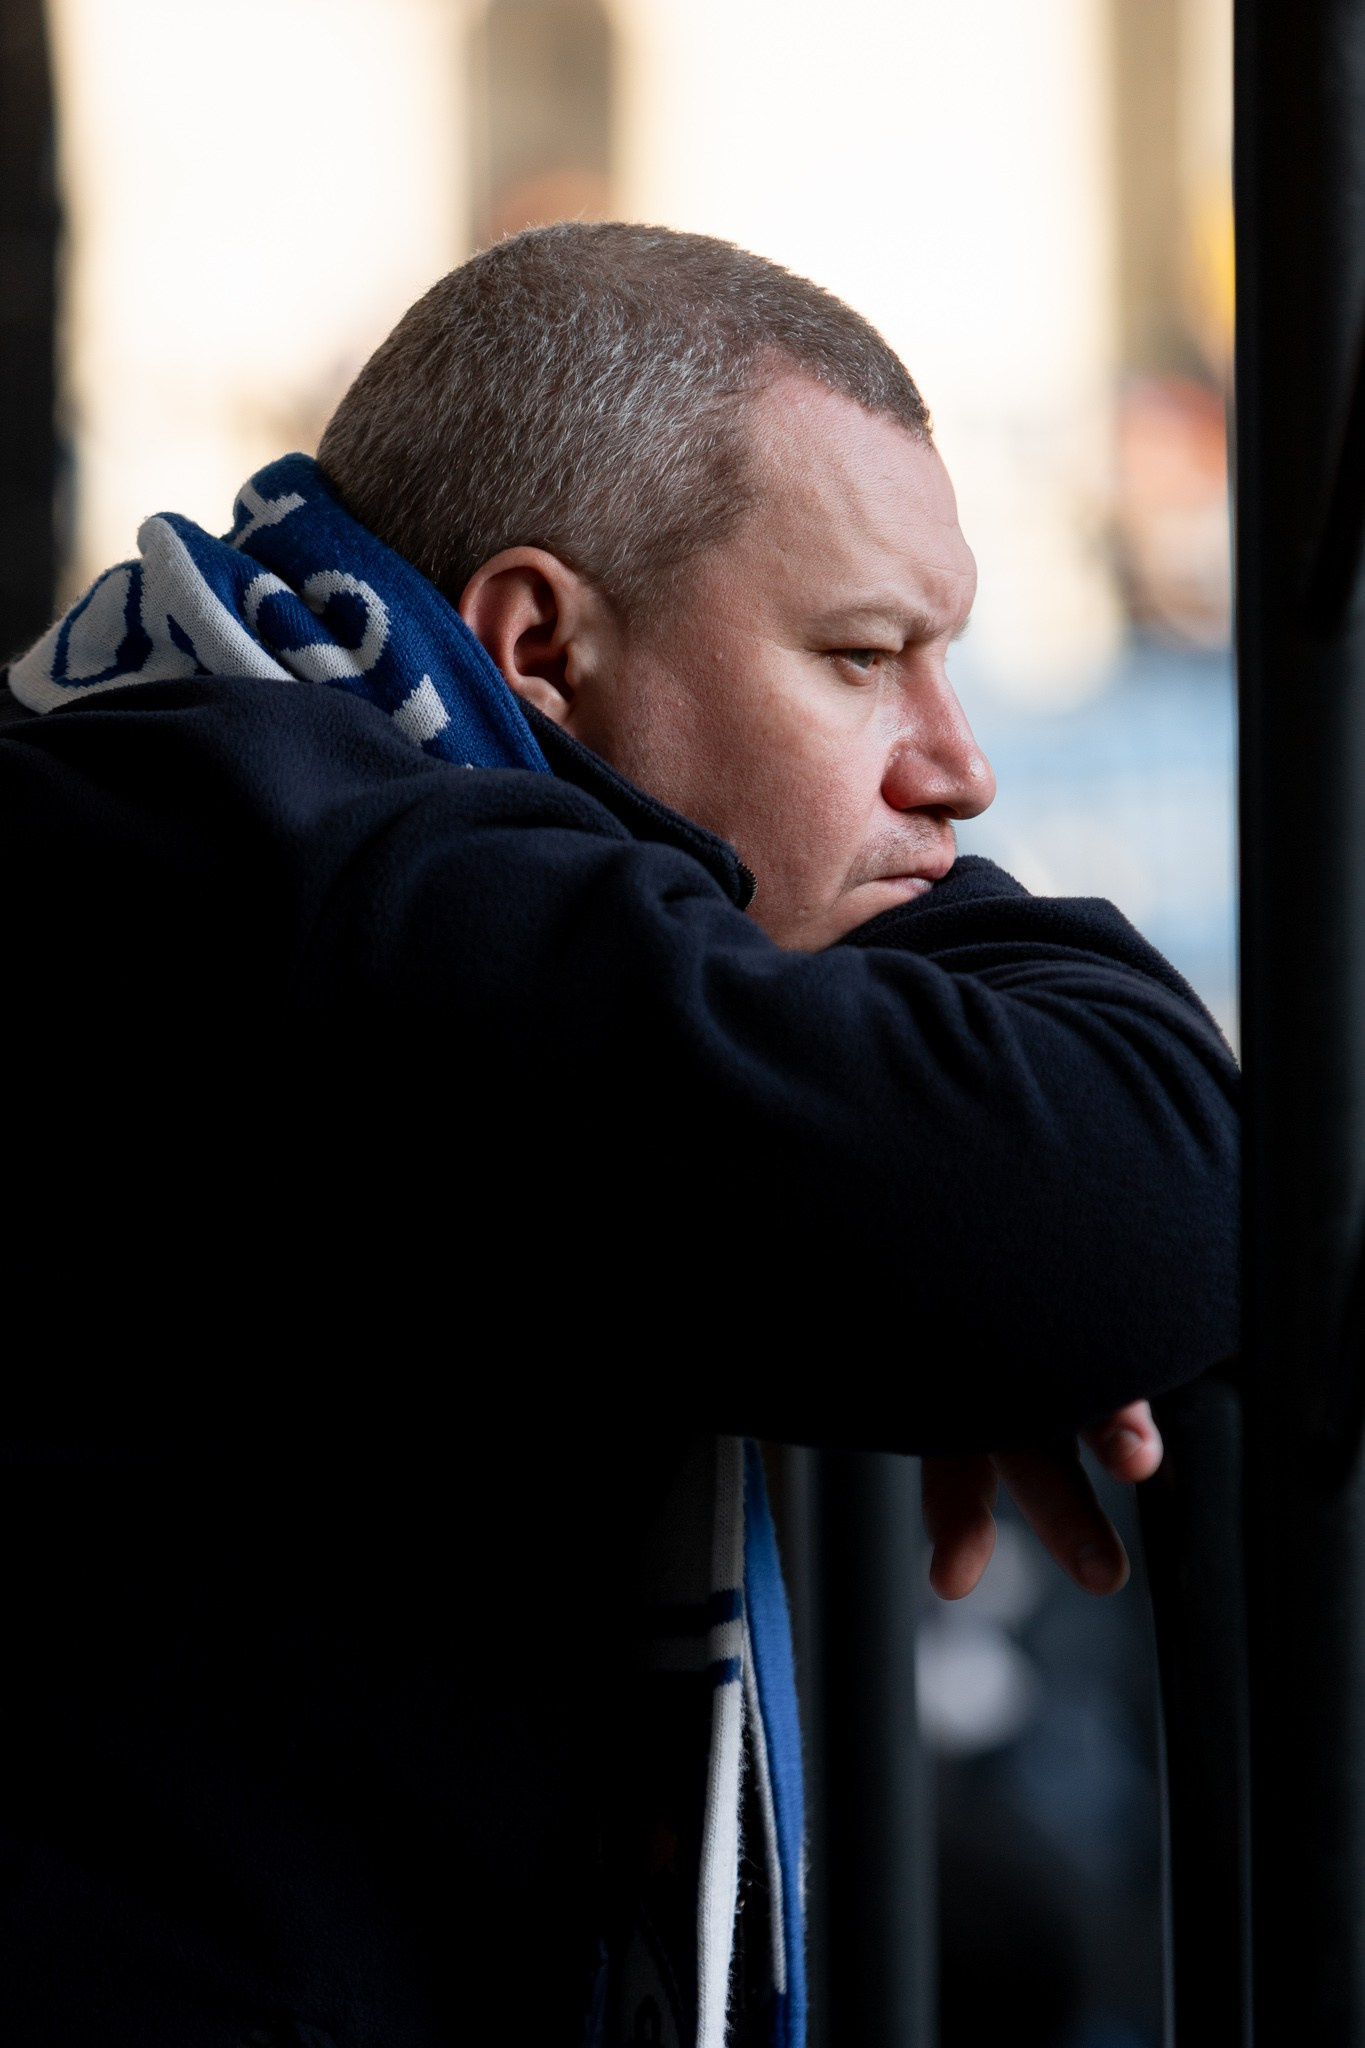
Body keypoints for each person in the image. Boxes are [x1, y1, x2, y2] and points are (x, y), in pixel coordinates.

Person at [0, 223, 1236, 2048]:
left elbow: (1038, 1215)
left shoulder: (211, 790)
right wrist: (961, 1138)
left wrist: (920, 1244)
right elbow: (1135, 1182)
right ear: (538, 649)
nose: (956, 768)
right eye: (861, 657)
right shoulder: (329, 896)